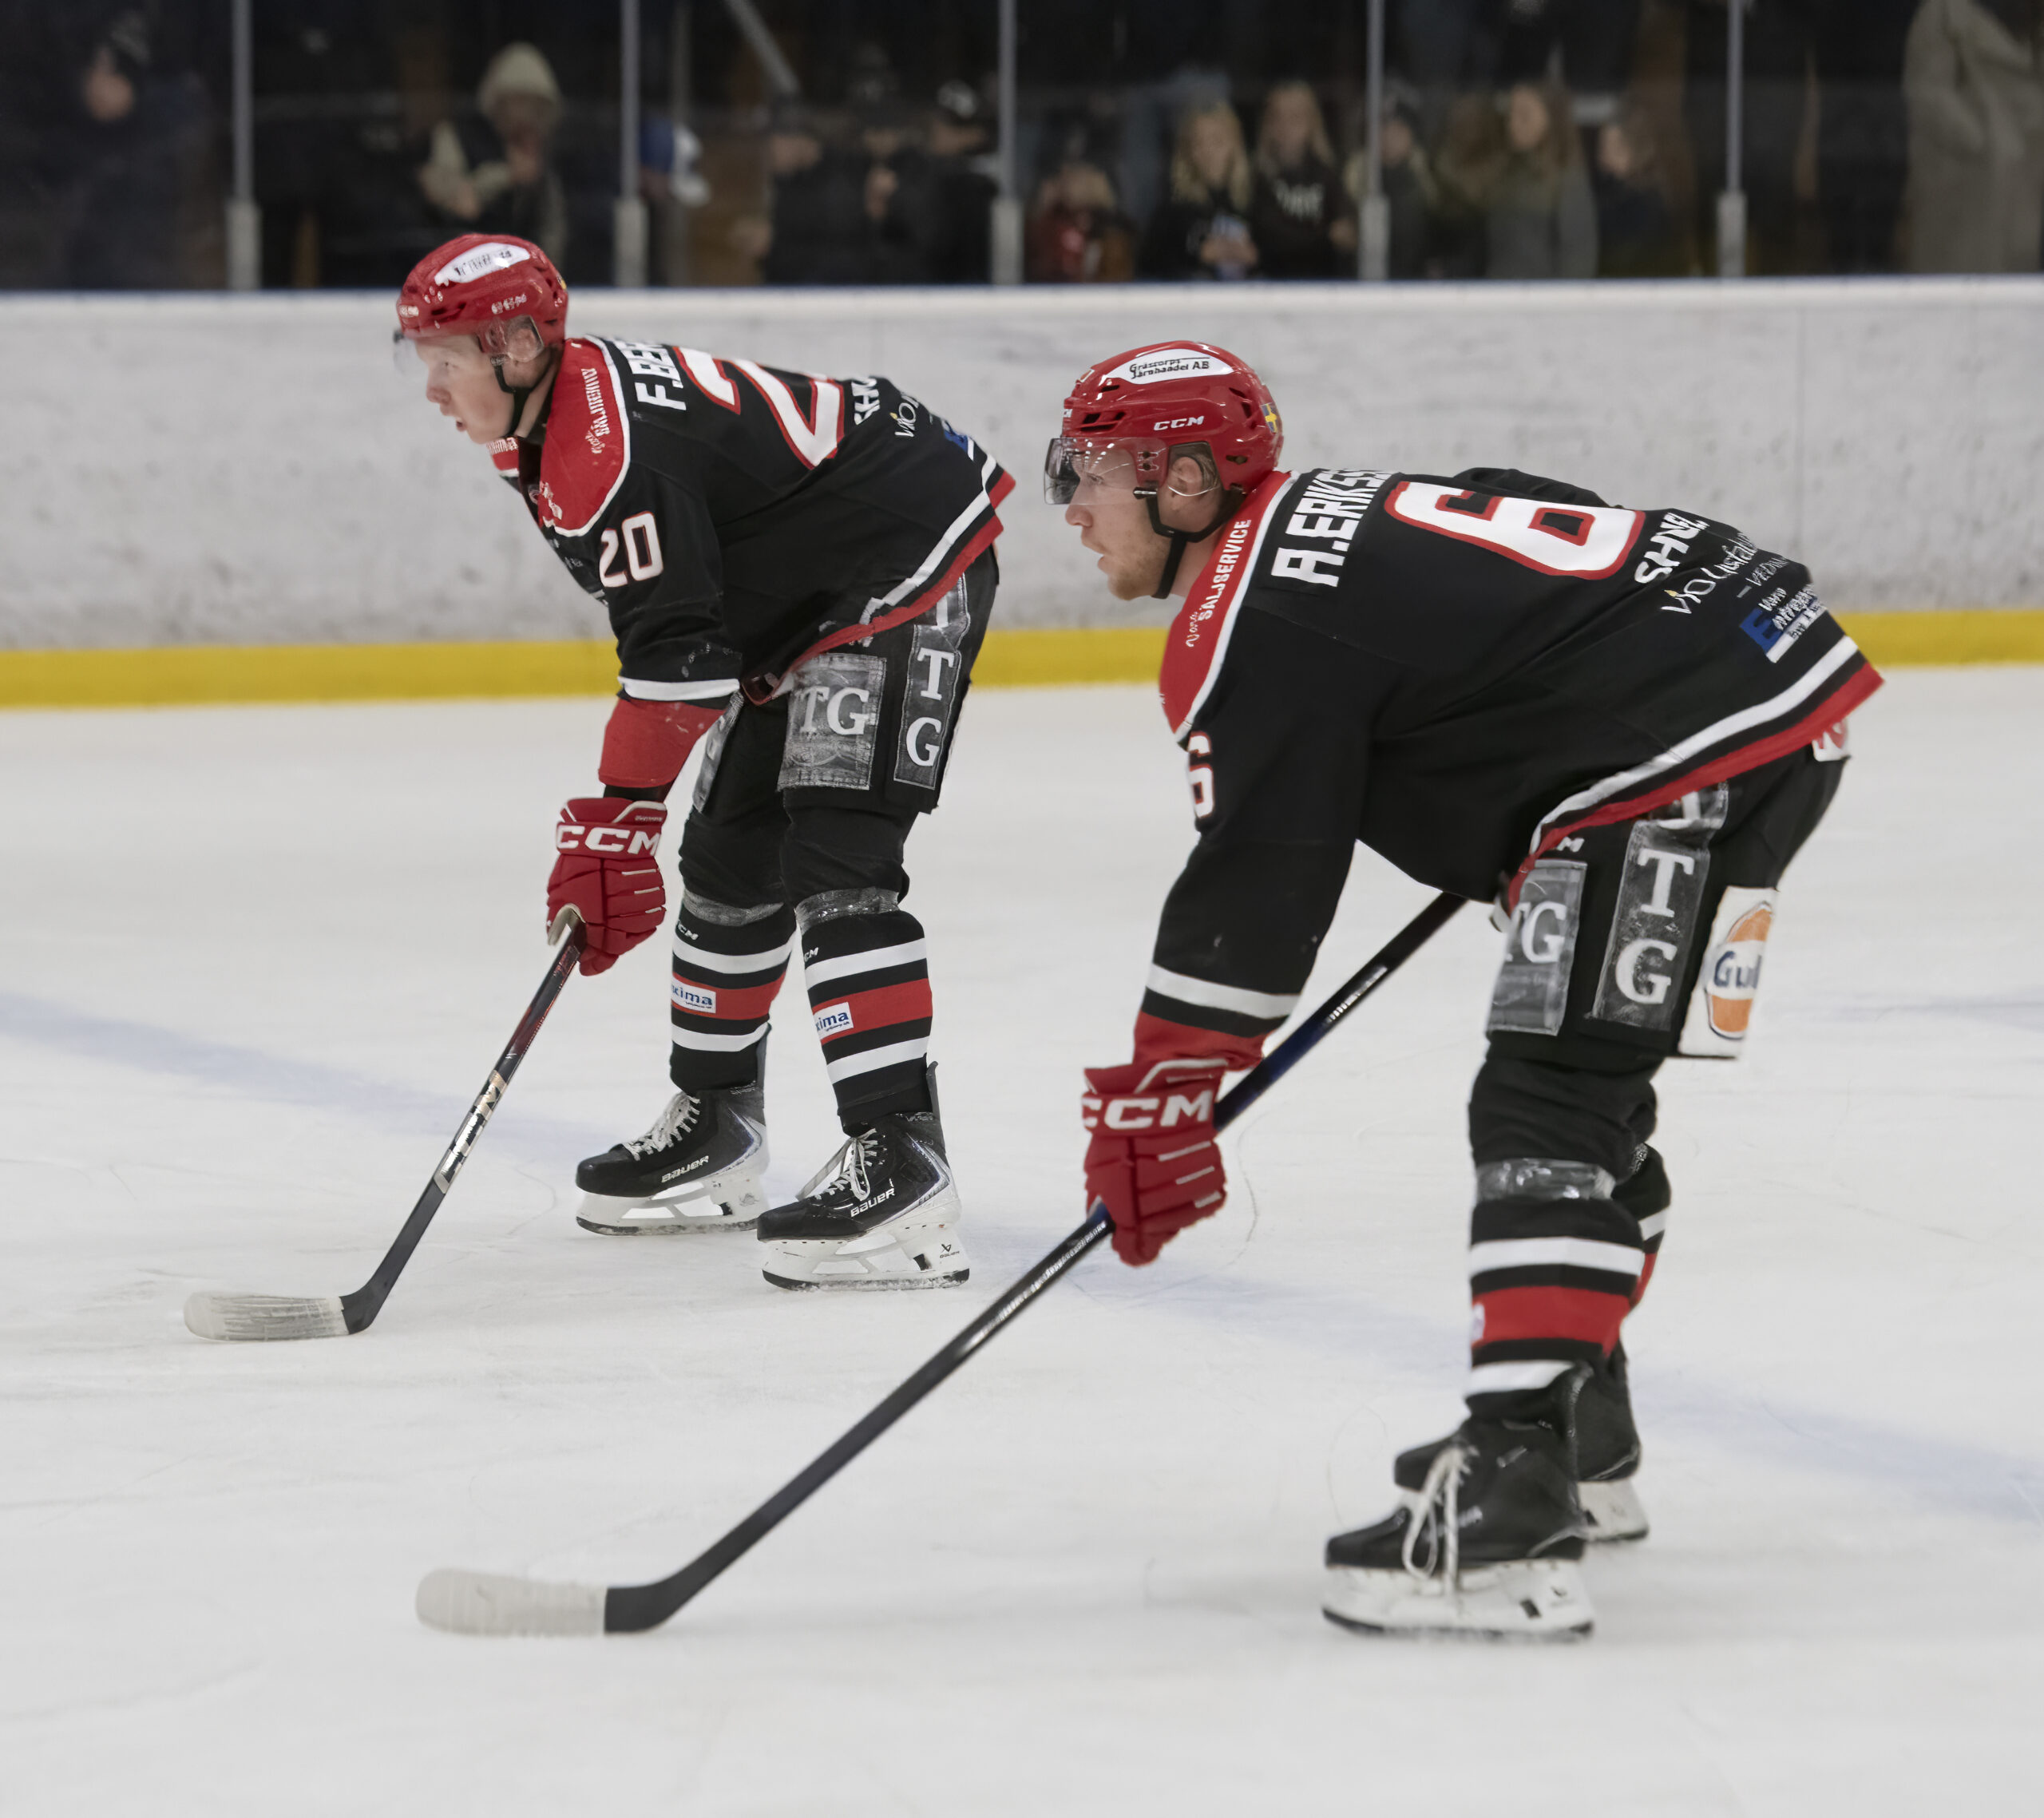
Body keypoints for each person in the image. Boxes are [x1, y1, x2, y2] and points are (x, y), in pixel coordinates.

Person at [1047, 341, 1880, 1638]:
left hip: (1687, 748)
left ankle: (1512, 1501)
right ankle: (1577, 1428)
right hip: (1758, 678)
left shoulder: (1239, 626)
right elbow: (1538, 521)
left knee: (1547, 1097)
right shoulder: (1326, 511)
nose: (1071, 506)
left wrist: (1168, 1084)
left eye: (1091, 473)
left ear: (1189, 482)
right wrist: (1526, 768)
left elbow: (1260, 882)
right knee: (1585, 1085)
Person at [395, 233, 1013, 1289]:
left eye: (446, 361)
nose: (432, 390)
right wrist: (626, 819)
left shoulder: (601, 449)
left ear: (516, 347)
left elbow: (675, 661)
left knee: (836, 856)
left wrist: (612, 821)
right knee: (728, 854)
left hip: (901, 560)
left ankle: (901, 1160)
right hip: (805, 595)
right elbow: (686, 627)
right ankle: (720, 1124)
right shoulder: (542, 426)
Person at [1903, 0, 2044, 273]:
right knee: (1967, 267)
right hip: (1972, 185)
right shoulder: (1944, 14)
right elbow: (1929, 96)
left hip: (2028, 180)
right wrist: (1984, 141)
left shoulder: (2033, 20)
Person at [416, 43, 570, 267]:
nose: (526, 113)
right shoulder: (455, 137)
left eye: (536, 105)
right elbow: (461, 203)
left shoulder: (541, 161)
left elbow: (552, 230)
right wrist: (507, 176)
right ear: (497, 99)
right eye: (518, 100)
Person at [1487, 80, 1597, 279]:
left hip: (1541, 294)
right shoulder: (1507, 173)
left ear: (1552, 119)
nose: (1512, 124)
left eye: (1525, 115)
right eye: (1510, 114)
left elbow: (1578, 257)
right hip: (1497, 292)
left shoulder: (1567, 181)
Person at [1246, 81, 1357, 279]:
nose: (1285, 127)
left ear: (1312, 124)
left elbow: (1347, 233)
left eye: (1295, 118)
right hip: (1271, 284)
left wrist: (1318, 238)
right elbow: (1269, 240)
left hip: (1324, 285)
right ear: (1267, 124)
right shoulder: (1257, 177)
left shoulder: (1327, 175)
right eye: (1277, 117)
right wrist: (1325, 237)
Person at [1139, 101, 1258, 280]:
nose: (1208, 152)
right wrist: (1198, 256)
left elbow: (1281, 257)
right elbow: (1149, 265)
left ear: (1235, 145)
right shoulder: (1173, 210)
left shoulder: (1255, 200)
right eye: (1198, 143)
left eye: (1217, 141)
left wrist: (1255, 257)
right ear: (1187, 151)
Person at [1591, 109, 1683, 277]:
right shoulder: (1605, 190)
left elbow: (1622, 260)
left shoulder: (1647, 202)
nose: (1607, 157)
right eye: (1603, 148)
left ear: (1637, 151)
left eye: (1617, 149)